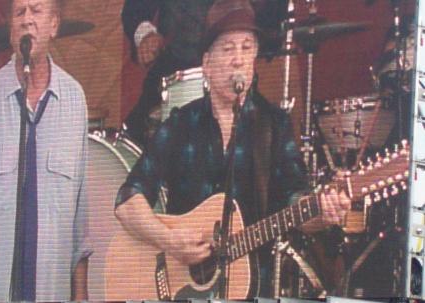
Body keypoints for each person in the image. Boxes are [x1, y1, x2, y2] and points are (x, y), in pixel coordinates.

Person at [115, 0, 350, 298]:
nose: (238, 59)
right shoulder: (180, 125)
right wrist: (170, 241)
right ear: (207, 65)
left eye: (247, 47)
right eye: (227, 49)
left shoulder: (274, 127)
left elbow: (296, 201)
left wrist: (323, 211)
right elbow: (126, 202)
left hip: (250, 291)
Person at [0, 0, 92, 302]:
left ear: (54, 24)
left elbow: (80, 220)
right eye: (19, 12)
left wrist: (81, 295)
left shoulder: (75, 101)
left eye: (36, 10)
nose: (27, 20)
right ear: (11, 29)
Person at [121, 0, 287, 146]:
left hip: (235, 75)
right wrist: (146, 36)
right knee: (132, 143)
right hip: (174, 69)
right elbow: (136, 10)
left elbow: (274, 25)